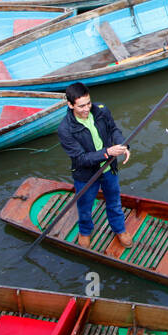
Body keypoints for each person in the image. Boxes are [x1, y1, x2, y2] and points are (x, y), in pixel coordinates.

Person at [56, 81, 132, 249]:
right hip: (85, 174)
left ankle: (119, 229)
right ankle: (85, 231)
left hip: (109, 168)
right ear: (70, 105)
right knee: (85, 205)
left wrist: (123, 145)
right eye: (81, 106)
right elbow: (81, 159)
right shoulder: (65, 129)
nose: (86, 109)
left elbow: (114, 130)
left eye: (88, 103)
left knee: (114, 200)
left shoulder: (102, 111)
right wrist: (107, 152)